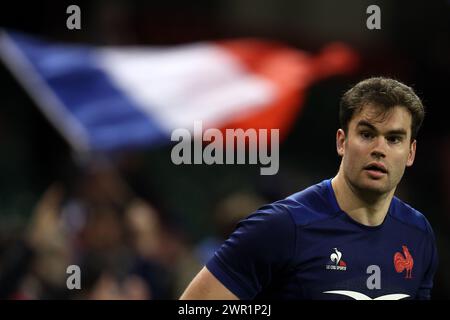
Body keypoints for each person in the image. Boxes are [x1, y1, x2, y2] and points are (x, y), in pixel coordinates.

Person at [180, 77, 438, 300]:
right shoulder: (282, 226)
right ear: (342, 142)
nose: (379, 149)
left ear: (410, 153)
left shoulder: (418, 233)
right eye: (367, 134)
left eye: (394, 139)